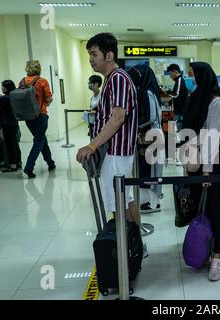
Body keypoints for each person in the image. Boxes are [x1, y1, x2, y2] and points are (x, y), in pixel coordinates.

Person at [76, 33, 138, 222]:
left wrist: (92, 145)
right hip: (115, 152)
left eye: (94, 54)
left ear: (109, 56)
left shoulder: (118, 78)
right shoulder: (112, 79)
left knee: (118, 203)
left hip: (115, 152)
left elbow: (118, 117)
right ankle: (134, 247)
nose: (91, 60)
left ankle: (126, 248)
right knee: (125, 200)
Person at [182, 62, 220, 281]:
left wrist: (207, 173)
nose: (191, 79)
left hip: (210, 165)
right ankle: (204, 246)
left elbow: (213, 139)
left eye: (193, 75)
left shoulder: (216, 102)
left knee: (213, 209)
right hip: (195, 163)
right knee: (200, 208)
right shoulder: (196, 97)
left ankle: (217, 255)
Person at [128, 64, 163, 213]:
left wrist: (133, 124)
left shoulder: (147, 92)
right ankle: (151, 201)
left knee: (150, 170)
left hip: (151, 135)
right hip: (151, 135)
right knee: (150, 169)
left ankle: (151, 203)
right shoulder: (148, 90)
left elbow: (151, 116)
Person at [21, 60, 56, 179]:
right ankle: (29, 167)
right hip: (41, 115)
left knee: (41, 139)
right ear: (38, 69)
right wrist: (46, 102)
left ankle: (50, 163)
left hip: (28, 117)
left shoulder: (22, 82)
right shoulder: (42, 81)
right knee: (38, 141)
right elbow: (49, 98)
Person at [0, 80, 22, 172]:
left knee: (10, 145)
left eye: (2, 86)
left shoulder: (6, 98)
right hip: (14, 123)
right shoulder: (12, 95)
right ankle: (18, 163)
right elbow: (2, 97)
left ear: (6, 87)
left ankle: (13, 166)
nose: (1, 88)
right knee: (14, 144)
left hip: (7, 124)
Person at [165, 64, 188, 130]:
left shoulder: (180, 80)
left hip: (180, 110)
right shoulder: (178, 81)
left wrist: (167, 94)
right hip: (178, 109)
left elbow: (177, 95)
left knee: (179, 130)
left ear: (175, 72)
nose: (170, 76)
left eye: (170, 74)